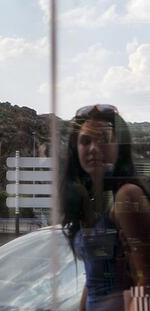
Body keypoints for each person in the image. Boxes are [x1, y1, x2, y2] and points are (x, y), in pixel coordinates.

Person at [60, 104, 150, 311]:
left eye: (103, 139)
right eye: (85, 141)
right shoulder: (92, 204)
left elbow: (146, 280)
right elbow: (94, 278)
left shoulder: (127, 196)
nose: (93, 148)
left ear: (120, 146)